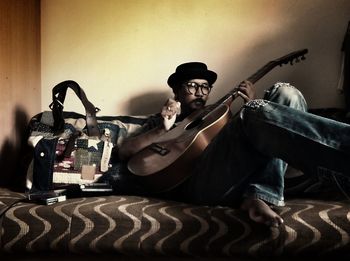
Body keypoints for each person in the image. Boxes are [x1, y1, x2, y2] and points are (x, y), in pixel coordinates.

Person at [117, 62, 350, 227]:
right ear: (177, 91)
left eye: (205, 87)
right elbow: (125, 151)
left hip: (240, 178)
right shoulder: (162, 118)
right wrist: (163, 129)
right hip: (201, 184)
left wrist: (253, 106)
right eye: (191, 86)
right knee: (253, 112)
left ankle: (261, 194)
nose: (200, 92)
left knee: (286, 93)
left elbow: (242, 143)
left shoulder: (218, 115)